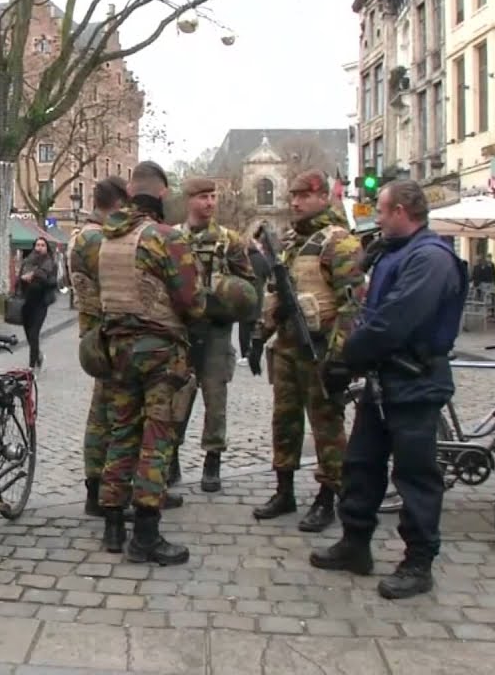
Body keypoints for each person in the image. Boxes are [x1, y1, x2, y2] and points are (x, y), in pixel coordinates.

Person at [311, 179, 468, 600]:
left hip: (415, 381)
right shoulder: (396, 254)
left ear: (401, 211)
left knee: (415, 474)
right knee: (361, 464)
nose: (376, 218)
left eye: (380, 210)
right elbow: (369, 312)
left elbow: (394, 321)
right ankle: (355, 543)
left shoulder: (431, 259)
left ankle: (418, 562)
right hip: (384, 382)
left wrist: (347, 359)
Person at [95, 165, 205, 564]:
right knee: (156, 438)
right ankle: (145, 534)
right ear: (160, 194)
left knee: (121, 432)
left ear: (128, 192)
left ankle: (111, 525)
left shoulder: (108, 240)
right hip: (159, 351)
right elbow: (193, 301)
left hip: (118, 351)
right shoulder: (165, 238)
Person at [250, 170, 365, 533]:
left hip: (320, 348)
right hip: (287, 347)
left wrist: (341, 356)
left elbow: (352, 305)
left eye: (304, 196)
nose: (296, 202)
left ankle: (327, 497)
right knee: (284, 421)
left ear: (322, 198)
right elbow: (275, 292)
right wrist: (259, 335)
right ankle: (284, 491)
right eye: (294, 196)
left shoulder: (340, 243)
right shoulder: (290, 243)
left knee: (326, 426)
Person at [173, 178, 256, 494]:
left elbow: (249, 287)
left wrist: (227, 294)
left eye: (213, 197)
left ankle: (213, 460)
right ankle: (171, 458)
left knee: (215, 398)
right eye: (203, 197)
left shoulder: (229, 241)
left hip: (217, 330)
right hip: (181, 331)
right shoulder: (174, 239)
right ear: (189, 200)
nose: (210, 203)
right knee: (176, 397)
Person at [70, 175, 129, 517]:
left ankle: (98, 489)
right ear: (120, 204)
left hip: (95, 334)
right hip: (106, 336)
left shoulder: (84, 236)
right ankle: (104, 492)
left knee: (102, 414)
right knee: (109, 418)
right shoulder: (97, 239)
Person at [17, 237, 58, 370]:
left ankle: (31, 366)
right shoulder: (26, 262)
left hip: (41, 303)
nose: (39, 247)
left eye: (42, 245)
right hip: (26, 302)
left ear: (47, 248)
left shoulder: (51, 264)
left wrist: (36, 276)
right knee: (29, 334)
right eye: (37, 245)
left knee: (34, 333)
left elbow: (53, 283)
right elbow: (18, 282)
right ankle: (37, 355)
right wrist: (23, 279)